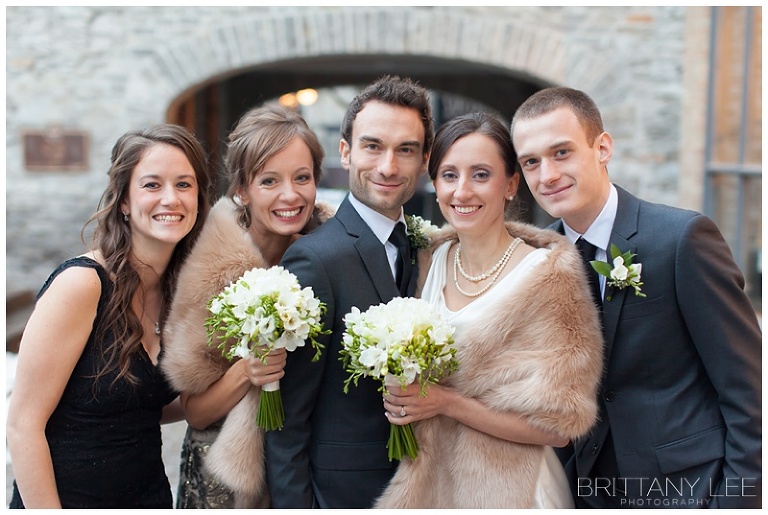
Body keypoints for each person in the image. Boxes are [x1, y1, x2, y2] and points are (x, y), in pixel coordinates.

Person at [511, 86, 762, 508]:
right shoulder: (533, 261)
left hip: (689, 491)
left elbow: (749, 393)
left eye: (561, 153)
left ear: (602, 148)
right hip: (582, 495)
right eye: (531, 162)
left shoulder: (681, 240)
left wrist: (734, 504)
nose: (547, 175)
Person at [373, 112, 603, 509]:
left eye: (481, 175)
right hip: (432, 485)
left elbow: (558, 428)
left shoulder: (548, 275)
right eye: (449, 175)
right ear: (434, 184)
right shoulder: (431, 258)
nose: (462, 191)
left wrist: (447, 402)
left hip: (511, 490)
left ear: (510, 184)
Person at [6, 125, 212, 508]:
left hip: (149, 499)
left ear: (199, 198)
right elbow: (23, 425)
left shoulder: (182, 293)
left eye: (184, 185)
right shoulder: (82, 285)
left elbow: (141, 405)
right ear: (124, 201)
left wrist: (243, 373)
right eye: (152, 185)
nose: (171, 198)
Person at [263, 75, 434, 509]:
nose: (388, 167)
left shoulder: (422, 248)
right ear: (346, 151)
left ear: (424, 160)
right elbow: (287, 423)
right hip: (342, 495)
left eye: (406, 150)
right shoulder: (315, 259)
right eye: (373, 146)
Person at [159, 104, 333, 508]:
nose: (290, 195)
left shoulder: (330, 253)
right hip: (225, 480)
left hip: (309, 470)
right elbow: (195, 412)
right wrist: (246, 372)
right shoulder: (211, 267)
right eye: (269, 180)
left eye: (302, 178)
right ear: (241, 190)